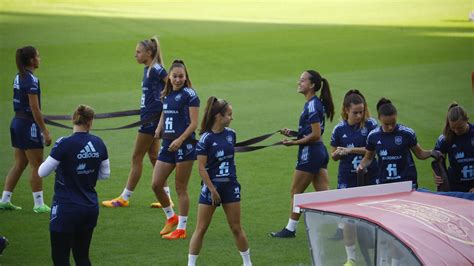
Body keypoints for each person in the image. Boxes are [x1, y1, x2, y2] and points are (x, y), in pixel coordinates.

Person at [102, 36, 172, 208]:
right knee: (155, 157)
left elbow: (172, 84)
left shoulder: (156, 69)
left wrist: (168, 107)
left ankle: (124, 197)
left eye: (138, 52)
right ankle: (167, 198)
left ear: (149, 53)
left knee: (136, 157)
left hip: (150, 121)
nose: (136, 55)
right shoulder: (149, 68)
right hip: (149, 118)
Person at [38, 104, 110, 266]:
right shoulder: (98, 142)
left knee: (60, 258)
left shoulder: (64, 144)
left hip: (66, 208)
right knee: (82, 256)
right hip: (90, 207)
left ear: (73, 119)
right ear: (90, 122)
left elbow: (42, 172)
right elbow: (105, 174)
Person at [188, 97, 252, 266]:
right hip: (211, 188)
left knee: (236, 228)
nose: (232, 118)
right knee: (201, 229)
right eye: (229, 114)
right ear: (219, 116)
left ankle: (247, 263)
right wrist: (212, 190)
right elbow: (201, 168)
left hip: (230, 186)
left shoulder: (232, 134)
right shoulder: (205, 139)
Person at [270, 70, 334, 238]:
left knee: (296, 192)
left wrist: (294, 143)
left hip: (311, 152)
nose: (299, 83)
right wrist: (292, 133)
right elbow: (310, 132)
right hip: (318, 152)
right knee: (325, 195)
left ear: (312, 85)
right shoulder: (313, 103)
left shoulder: (312, 105)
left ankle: (291, 229)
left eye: (302, 81)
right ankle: (341, 226)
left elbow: (315, 135)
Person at [330, 89, 379, 266]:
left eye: (361, 111)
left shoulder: (371, 125)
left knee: (374, 216)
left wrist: (350, 150)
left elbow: (373, 150)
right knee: (348, 219)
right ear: (345, 110)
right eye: (355, 112)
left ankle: (378, 252)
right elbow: (333, 156)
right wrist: (337, 153)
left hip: (370, 176)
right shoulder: (339, 129)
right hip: (347, 178)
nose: (359, 115)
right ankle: (351, 258)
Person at [151, 59, 200, 240]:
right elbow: (165, 111)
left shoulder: (190, 95)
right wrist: (159, 127)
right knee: (156, 184)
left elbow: (194, 123)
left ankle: (181, 228)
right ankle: (171, 217)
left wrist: (180, 140)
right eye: (175, 76)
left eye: (181, 76)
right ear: (169, 77)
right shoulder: (167, 94)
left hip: (184, 146)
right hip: (167, 145)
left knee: (181, 188)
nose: (178, 79)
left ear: (186, 77)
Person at [0, 46, 52, 213]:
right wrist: (45, 130)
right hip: (28, 125)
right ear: (31, 60)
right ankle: (38, 204)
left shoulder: (19, 76)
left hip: (17, 123)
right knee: (37, 165)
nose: (40, 58)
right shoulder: (31, 80)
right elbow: (34, 108)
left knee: (20, 163)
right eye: (38, 56)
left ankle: (5, 200)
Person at [357, 98, 440, 189]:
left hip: (407, 182)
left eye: (393, 123)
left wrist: (431, 152)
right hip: (384, 183)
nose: (390, 127)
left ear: (396, 116)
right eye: (386, 124)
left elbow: (420, 154)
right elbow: (368, 158)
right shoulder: (373, 136)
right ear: (379, 118)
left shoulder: (406, 133)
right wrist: (361, 166)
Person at [433, 103, 473, 192]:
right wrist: (437, 176)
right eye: (453, 128)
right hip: (455, 187)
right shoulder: (444, 139)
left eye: (460, 127)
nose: (456, 131)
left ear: (467, 120)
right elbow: (438, 162)